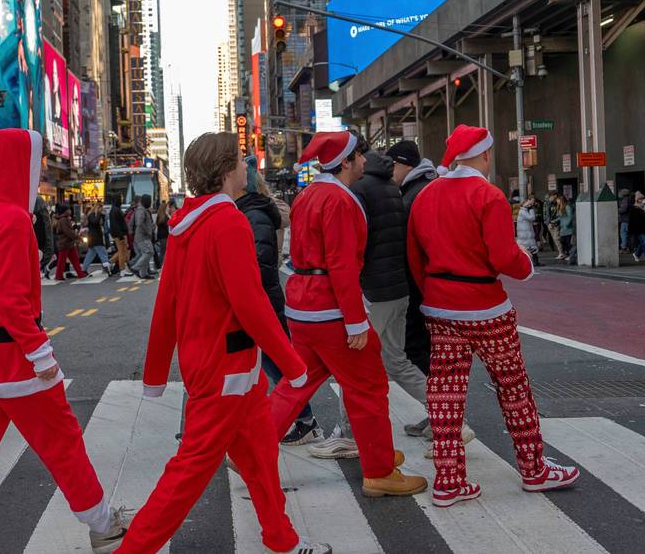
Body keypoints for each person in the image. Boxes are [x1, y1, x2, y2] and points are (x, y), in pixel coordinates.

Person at [0, 129, 130, 554]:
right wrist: (40, 352)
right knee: (63, 444)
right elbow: (13, 301)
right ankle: (102, 525)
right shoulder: (13, 218)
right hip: (18, 362)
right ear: (21, 168)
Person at [123, 132, 327, 554]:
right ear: (225, 169)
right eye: (240, 160)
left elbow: (167, 304)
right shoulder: (227, 221)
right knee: (192, 468)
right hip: (228, 367)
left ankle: (281, 537)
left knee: (260, 454)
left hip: (219, 365)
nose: (246, 167)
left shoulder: (187, 223)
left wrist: (156, 374)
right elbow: (251, 304)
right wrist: (291, 362)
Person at [407, 124, 579, 508]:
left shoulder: (426, 195)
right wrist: (527, 266)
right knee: (513, 386)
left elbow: (415, 256)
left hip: (439, 304)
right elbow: (505, 258)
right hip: (485, 307)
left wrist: (432, 292)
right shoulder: (488, 195)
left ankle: (448, 480)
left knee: (445, 393)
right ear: (485, 155)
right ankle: (534, 469)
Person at [268, 130, 427, 499]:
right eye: (359, 156)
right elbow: (341, 264)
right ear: (346, 162)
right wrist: (356, 321)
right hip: (331, 311)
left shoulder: (309, 194)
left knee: (295, 384)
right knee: (368, 388)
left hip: (304, 308)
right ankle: (380, 470)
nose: (364, 160)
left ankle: (249, 452)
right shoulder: (339, 199)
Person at [351, 146, 469, 455]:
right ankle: (450, 419)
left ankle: (350, 434)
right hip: (402, 288)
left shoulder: (363, 190)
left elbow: (361, 244)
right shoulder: (393, 188)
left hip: (380, 291)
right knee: (397, 360)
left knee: (358, 364)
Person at [237, 156, 320, 446]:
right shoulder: (260, 209)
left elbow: (259, 261)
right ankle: (295, 418)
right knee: (266, 361)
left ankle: (305, 419)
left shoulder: (256, 213)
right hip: (266, 296)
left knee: (276, 362)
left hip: (263, 298)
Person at [386, 140, 437, 382]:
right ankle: (439, 411)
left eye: (392, 165)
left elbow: (411, 246)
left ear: (404, 165)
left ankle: (438, 410)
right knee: (426, 348)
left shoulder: (413, 195)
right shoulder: (425, 187)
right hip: (430, 282)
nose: (389, 171)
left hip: (419, 284)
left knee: (416, 348)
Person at [53, 203, 88, 280]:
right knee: (62, 261)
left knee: (75, 259)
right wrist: (79, 238)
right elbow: (68, 232)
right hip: (65, 243)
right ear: (65, 211)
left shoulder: (65, 219)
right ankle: (58, 276)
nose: (70, 210)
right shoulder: (63, 220)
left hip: (68, 243)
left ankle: (80, 274)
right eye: (68, 209)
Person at [82, 206, 113, 275]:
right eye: (101, 209)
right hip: (96, 238)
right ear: (97, 208)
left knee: (90, 255)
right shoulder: (92, 215)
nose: (102, 210)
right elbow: (95, 222)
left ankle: (84, 269)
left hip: (94, 238)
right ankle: (108, 269)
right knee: (103, 254)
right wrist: (99, 214)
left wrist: (101, 215)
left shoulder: (93, 215)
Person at [131, 194, 157, 279]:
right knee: (149, 252)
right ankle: (136, 267)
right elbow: (139, 223)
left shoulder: (142, 210)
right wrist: (148, 231)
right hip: (143, 236)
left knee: (145, 253)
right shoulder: (141, 210)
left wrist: (151, 226)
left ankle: (144, 273)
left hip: (141, 236)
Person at [108, 196, 131, 277]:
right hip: (120, 234)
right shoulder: (116, 210)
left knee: (123, 251)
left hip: (119, 234)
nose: (121, 199)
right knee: (122, 252)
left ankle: (109, 262)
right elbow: (116, 224)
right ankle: (122, 270)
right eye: (120, 198)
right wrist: (121, 235)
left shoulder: (114, 209)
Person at [517, 193, 541, 266]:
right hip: (525, 235)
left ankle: (535, 262)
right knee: (527, 248)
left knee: (532, 248)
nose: (530, 203)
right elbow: (532, 218)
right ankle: (527, 262)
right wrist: (531, 210)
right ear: (524, 203)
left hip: (527, 233)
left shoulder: (524, 211)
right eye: (528, 202)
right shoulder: (522, 212)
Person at [629, 192, 645, 262]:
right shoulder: (634, 208)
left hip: (644, 228)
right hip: (638, 229)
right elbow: (632, 221)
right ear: (637, 200)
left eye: (643, 198)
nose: (642, 200)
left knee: (643, 242)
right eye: (641, 199)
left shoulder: (644, 207)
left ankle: (636, 254)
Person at [555, 193, 575, 260]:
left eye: (558, 200)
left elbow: (570, 216)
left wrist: (567, 224)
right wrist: (554, 221)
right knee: (563, 242)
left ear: (561, 200)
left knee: (568, 242)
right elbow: (560, 217)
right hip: (563, 228)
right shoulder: (560, 207)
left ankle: (570, 255)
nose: (557, 201)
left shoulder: (567, 207)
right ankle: (566, 254)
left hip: (567, 228)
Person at [154, 200, 173, 266]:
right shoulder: (165, 217)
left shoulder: (160, 216)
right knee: (163, 251)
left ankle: (160, 264)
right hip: (164, 236)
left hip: (162, 236)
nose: (168, 208)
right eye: (167, 207)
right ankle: (160, 265)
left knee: (163, 251)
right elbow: (170, 224)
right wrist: (168, 215)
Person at [617, 188, 633, 252]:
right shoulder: (630, 199)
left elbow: (623, 209)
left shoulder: (625, 200)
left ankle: (624, 248)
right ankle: (629, 248)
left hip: (625, 220)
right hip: (629, 219)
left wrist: (616, 210)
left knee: (623, 234)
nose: (619, 194)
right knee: (629, 235)